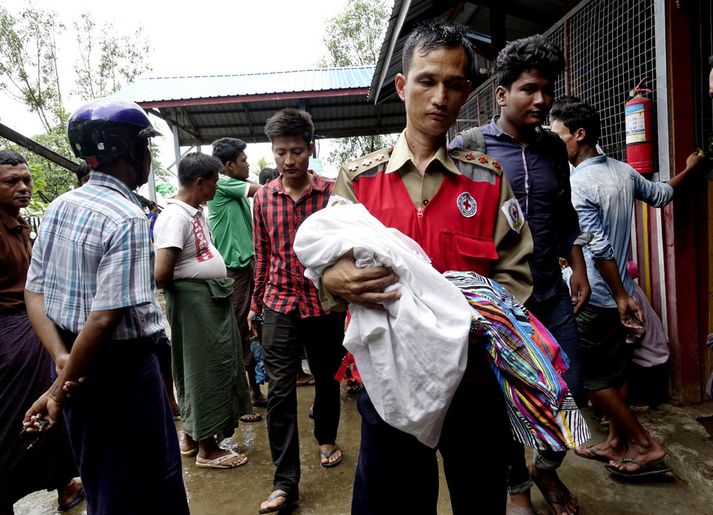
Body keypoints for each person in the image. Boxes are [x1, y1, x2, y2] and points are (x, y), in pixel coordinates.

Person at [321, 21, 534, 514]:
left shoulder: (488, 180)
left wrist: (466, 334)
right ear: (402, 86)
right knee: (393, 503)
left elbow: (516, 275)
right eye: (427, 80)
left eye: (454, 83)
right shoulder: (359, 182)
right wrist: (332, 281)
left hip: (473, 385)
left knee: (480, 499)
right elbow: (327, 261)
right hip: (389, 387)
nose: (441, 96)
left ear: (466, 92)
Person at [22, 97, 189, 514]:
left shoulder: (63, 204)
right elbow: (103, 319)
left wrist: (62, 360)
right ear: (131, 152)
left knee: (102, 473)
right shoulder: (127, 217)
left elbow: (34, 291)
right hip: (121, 371)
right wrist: (59, 389)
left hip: (75, 363)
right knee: (148, 480)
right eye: (144, 146)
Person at [449, 34, 587, 515]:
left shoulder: (553, 149)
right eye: (529, 88)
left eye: (547, 89)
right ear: (502, 94)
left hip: (551, 293)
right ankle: (515, 487)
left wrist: (581, 271)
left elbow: (566, 216)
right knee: (503, 401)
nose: (542, 99)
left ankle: (546, 467)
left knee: (569, 391)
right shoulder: (468, 147)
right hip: (498, 302)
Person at [549, 95, 706, 481]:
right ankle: (616, 441)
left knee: (585, 378)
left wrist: (618, 295)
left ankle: (643, 443)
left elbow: (598, 245)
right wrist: (691, 169)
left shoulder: (577, 183)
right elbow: (663, 194)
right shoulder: (621, 171)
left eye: (557, 135)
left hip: (601, 294)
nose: (553, 142)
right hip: (623, 292)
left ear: (579, 134)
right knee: (617, 369)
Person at [248, 108, 346, 514]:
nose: (288, 161)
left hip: (324, 306)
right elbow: (262, 255)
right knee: (280, 392)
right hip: (279, 304)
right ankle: (285, 482)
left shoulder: (331, 194)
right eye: (281, 152)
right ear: (272, 152)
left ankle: (326, 436)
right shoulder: (263, 200)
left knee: (326, 378)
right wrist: (255, 306)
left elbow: (346, 250)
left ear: (310, 148)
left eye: (296, 152)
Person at [154, 152, 253, 468]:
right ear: (199, 182)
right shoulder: (175, 217)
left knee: (207, 368)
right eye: (214, 181)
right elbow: (162, 273)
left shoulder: (193, 212)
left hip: (207, 300)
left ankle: (191, 437)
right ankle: (207, 450)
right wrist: (192, 285)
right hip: (194, 305)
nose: (217, 187)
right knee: (202, 371)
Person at [0, 150, 84, 515]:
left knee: (50, 408)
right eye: (11, 181)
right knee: (15, 420)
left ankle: (65, 483)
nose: (23, 187)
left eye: (26, 180)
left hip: (31, 328)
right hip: (10, 340)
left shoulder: (19, 224)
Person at [209, 137, 267, 418]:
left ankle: (255, 392)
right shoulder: (223, 183)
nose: (247, 164)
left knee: (254, 327)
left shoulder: (233, 190)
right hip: (235, 270)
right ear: (229, 165)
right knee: (239, 333)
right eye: (243, 160)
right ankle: (243, 397)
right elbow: (264, 191)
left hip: (248, 266)